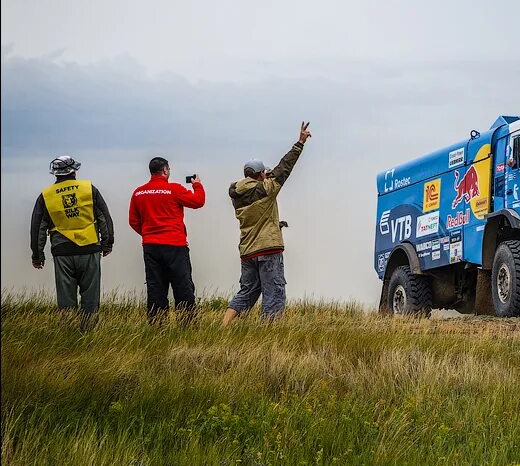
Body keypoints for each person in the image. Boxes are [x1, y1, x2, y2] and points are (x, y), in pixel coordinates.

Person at [221, 122, 312, 327]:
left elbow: (263, 183)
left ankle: (224, 325)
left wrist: (264, 175)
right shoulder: (267, 189)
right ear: (261, 174)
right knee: (274, 291)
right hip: (268, 249)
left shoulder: (237, 195)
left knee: (247, 291)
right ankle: (268, 332)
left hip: (247, 250)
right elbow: (284, 168)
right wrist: (300, 143)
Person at [30, 155, 114, 326]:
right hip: (90, 249)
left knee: (66, 298)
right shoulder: (89, 189)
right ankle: (88, 333)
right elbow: (104, 217)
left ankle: (68, 334)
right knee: (90, 296)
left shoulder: (46, 196)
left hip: (62, 252)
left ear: (55, 174)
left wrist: (37, 256)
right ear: (74, 171)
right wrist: (107, 243)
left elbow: (37, 228)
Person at [129, 157, 205, 323]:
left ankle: (157, 326)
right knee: (182, 286)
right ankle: (188, 324)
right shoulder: (174, 189)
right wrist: (197, 184)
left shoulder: (139, 192)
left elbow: (133, 221)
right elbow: (198, 201)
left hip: (151, 246)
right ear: (165, 170)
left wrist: (148, 234)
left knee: (156, 287)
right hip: (175, 246)